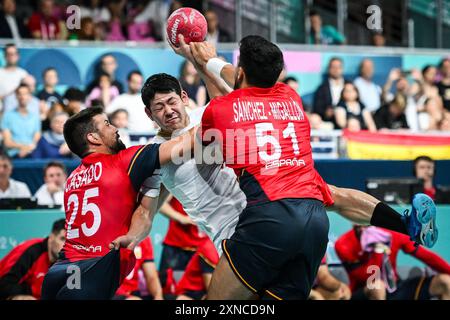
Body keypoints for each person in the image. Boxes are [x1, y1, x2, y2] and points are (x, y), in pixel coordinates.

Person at [147, 36, 438, 300]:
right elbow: (230, 81)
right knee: (335, 195)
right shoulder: (290, 96)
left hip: (268, 218)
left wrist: (199, 59)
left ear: (241, 72)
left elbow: (224, 102)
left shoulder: (221, 110)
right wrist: (207, 60)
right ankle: (405, 224)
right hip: (313, 217)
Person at [41, 106, 195, 300]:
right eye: (107, 124)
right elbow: (190, 140)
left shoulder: (73, 178)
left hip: (58, 272)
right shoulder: (124, 161)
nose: (115, 128)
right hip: (89, 273)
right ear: (93, 138)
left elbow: (143, 211)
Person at [335, 225, 450, 300]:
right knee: (378, 286)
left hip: (394, 286)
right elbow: (369, 278)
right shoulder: (343, 244)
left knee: (445, 281)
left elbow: (427, 257)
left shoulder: (393, 232)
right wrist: (377, 251)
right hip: (364, 290)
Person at [0, 219, 66, 300]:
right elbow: (4, 285)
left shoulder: (68, 261)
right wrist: (32, 291)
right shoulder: (31, 251)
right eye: (63, 239)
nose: (66, 246)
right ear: (51, 237)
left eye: (70, 241)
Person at [158, 196, 207, 295]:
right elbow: (160, 203)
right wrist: (181, 218)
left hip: (203, 250)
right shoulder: (178, 180)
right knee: (169, 291)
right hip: (177, 248)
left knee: (201, 293)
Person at [1, 84, 41, 158]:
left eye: (25, 94)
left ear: (30, 96)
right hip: (14, 155)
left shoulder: (35, 117)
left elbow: (36, 138)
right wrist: (24, 147)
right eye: (19, 94)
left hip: (32, 153)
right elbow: (7, 143)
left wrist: (28, 149)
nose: (22, 97)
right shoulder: (7, 116)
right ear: (16, 96)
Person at [312, 57, 346, 125]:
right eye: (333, 67)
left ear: (342, 69)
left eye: (338, 67)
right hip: (328, 121)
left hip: (347, 120)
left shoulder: (349, 85)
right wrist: (326, 112)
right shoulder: (321, 88)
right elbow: (317, 108)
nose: (336, 70)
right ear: (329, 69)